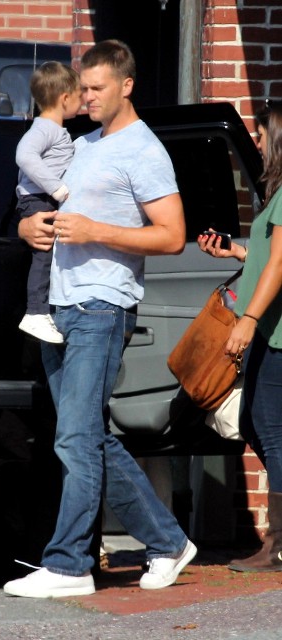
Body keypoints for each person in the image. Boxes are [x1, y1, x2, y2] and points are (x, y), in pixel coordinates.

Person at [3, 39, 197, 599]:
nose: (85, 97)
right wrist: (26, 228)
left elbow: (172, 236)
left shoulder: (145, 151)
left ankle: (69, 564)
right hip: (57, 308)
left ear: (126, 86)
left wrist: (96, 231)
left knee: (75, 438)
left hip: (102, 304)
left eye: (96, 88)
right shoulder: (78, 144)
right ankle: (168, 542)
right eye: (82, 88)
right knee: (88, 438)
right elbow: (36, 197)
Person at [198, 99, 282, 573]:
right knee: (254, 423)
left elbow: (280, 263)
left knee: (269, 430)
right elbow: (268, 254)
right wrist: (235, 252)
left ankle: (278, 545)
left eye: (262, 135)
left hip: (273, 332)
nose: (258, 143)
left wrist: (247, 319)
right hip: (268, 330)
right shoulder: (279, 193)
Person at [16, 61, 82, 343]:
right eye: (79, 95)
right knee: (43, 257)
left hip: (39, 198)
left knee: (48, 256)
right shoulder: (45, 128)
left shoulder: (53, 129)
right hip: (38, 199)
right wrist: (56, 188)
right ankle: (35, 313)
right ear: (65, 98)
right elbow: (24, 155)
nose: (83, 101)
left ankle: (43, 310)